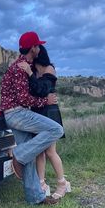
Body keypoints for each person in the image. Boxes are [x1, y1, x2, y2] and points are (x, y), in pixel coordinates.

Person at [0, 31, 64, 205]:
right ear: (33, 48)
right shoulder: (21, 67)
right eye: (37, 45)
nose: (39, 48)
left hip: (14, 113)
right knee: (56, 129)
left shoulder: (23, 66)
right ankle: (18, 155)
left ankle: (36, 197)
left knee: (29, 153)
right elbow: (23, 99)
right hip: (17, 112)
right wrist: (46, 100)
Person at [18, 45, 71, 199]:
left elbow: (42, 89)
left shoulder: (49, 69)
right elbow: (32, 92)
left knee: (50, 151)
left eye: (31, 53)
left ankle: (62, 183)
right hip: (37, 110)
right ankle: (42, 183)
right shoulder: (32, 69)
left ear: (38, 53)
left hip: (49, 112)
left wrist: (29, 73)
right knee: (39, 150)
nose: (29, 56)